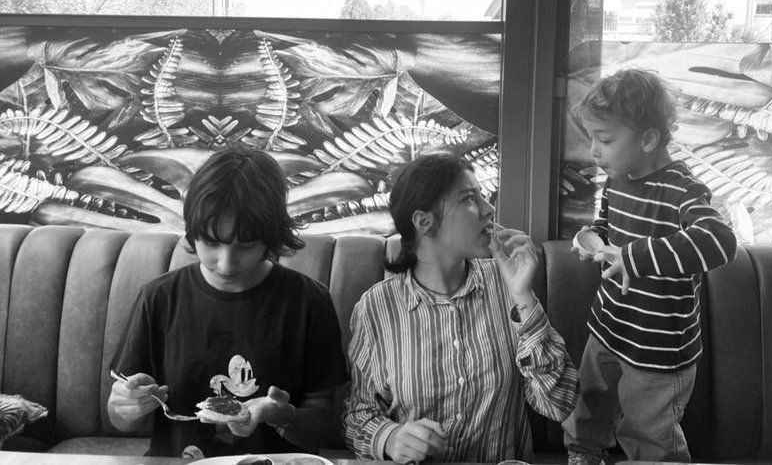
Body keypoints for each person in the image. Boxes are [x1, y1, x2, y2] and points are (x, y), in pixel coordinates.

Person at [107, 145, 347, 458]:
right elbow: (121, 420)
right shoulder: (159, 297)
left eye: (245, 246)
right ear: (192, 233)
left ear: (271, 237)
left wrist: (281, 415)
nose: (226, 263)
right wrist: (126, 407)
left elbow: (324, 426)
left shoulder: (309, 301)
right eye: (211, 242)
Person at [342, 153, 579, 463]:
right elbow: (357, 416)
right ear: (424, 222)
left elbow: (560, 403)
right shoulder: (376, 308)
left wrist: (523, 296)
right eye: (469, 198)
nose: (488, 208)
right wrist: (389, 437)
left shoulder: (506, 285)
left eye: (482, 195)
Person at [563, 68, 737, 465]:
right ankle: (584, 454)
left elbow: (719, 241)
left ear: (648, 139)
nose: (594, 151)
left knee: (649, 433)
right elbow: (608, 226)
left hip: (658, 348)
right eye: (592, 138)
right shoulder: (617, 179)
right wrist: (592, 237)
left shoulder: (680, 189)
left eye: (605, 139)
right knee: (589, 403)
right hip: (608, 326)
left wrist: (631, 257)